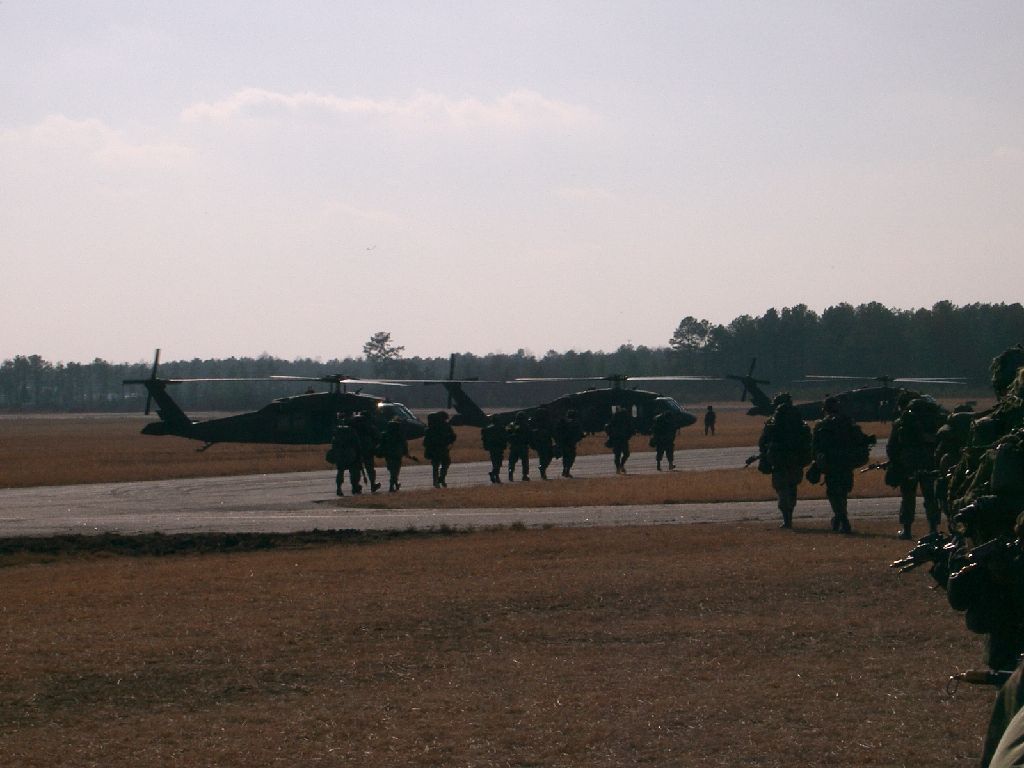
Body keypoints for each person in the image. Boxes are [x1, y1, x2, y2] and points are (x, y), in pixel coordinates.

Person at [809, 396, 874, 534]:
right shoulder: (848, 423)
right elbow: (861, 440)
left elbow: (815, 447)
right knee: (843, 492)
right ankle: (840, 519)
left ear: (825, 409)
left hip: (831, 464)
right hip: (846, 463)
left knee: (833, 493)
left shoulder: (822, 425)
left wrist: (818, 462)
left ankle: (842, 520)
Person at [886, 396, 944, 540]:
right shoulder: (932, 422)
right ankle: (933, 529)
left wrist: (896, 462)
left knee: (907, 497)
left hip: (908, 465)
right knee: (930, 497)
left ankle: (906, 530)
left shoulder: (901, 423)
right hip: (929, 464)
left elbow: (891, 447)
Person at [757, 393, 812, 529]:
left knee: (781, 489)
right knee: (792, 487)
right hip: (796, 460)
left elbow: (763, 442)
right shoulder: (799, 422)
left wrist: (765, 456)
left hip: (779, 461)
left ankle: (787, 519)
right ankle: (789, 516)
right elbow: (807, 439)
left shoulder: (773, 423)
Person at [347, 412, 382, 493]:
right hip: (367, 450)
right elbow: (378, 437)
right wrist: (373, 446)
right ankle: (373, 484)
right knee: (370, 468)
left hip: (354, 450)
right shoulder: (369, 426)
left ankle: (355, 486)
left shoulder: (352, 426)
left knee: (354, 469)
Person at [328, 418, 363, 496]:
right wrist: (359, 454)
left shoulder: (338, 431)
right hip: (351, 454)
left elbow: (333, 443)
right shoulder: (352, 431)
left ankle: (339, 488)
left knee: (340, 472)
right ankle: (354, 487)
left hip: (340, 454)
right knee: (354, 471)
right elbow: (357, 444)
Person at [377, 416, 412, 492]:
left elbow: (381, 445)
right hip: (397, 455)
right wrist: (406, 453)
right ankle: (391, 486)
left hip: (388, 455)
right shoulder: (399, 435)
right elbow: (404, 445)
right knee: (395, 471)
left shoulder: (385, 435)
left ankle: (395, 484)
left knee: (392, 470)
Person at [422, 410, 456, 488]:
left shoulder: (430, 428)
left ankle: (436, 481)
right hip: (443, 448)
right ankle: (441, 478)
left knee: (435, 466)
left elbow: (426, 441)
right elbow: (453, 436)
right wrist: (450, 443)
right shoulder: (445, 425)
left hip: (433, 449)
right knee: (446, 463)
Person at [554, 409, 585, 478]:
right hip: (570, 443)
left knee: (565, 457)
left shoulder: (563, 422)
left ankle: (565, 470)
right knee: (571, 457)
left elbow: (557, 432)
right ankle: (567, 471)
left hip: (563, 443)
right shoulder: (575, 423)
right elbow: (579, 434)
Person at [604, 406, 635, 474]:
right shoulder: (615, 421)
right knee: (619, 454)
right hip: (618, 439)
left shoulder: (625, 422)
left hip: (622, 439)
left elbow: (631, 429)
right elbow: (608, 427)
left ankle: (620, 466)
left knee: (624, 454)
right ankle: (619, 467)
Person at [530, 410, 556, 480]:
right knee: (548, 456)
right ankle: (543, 469)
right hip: (545, 443)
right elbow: (553, 432)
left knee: (543, 457)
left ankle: (542, 469)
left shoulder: (535, 422)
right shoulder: (547, 423)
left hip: (540, 443)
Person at [506, 412, 531, 481]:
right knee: (525, 462)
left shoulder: (511, 425)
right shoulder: (526, 426)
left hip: (514, 446)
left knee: (512, 462)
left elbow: (507, 433)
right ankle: (525, 475)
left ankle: (510, 473)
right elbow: (529, 435)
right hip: (523, 446)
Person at [481, 415, 506, 484]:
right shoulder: (501, 428)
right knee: (498, 463)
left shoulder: (487, 428)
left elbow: (484, 438)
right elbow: (504, 437)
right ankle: (494, 474)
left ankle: (496, 476)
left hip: (492, 448)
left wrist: (486, 446)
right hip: (498, 447)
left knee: (495, 462)